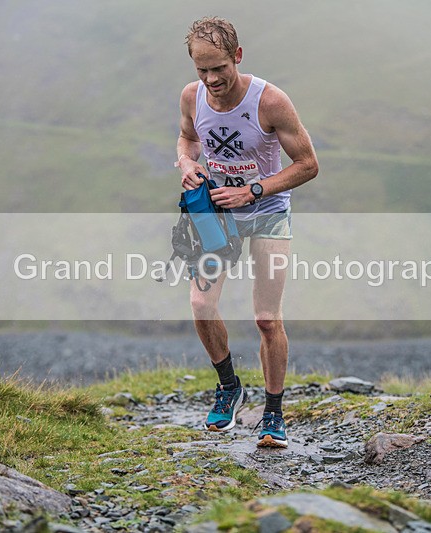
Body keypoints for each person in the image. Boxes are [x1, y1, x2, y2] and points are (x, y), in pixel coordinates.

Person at [175, 16, 318, 448]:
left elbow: (308, 165)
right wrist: (188, 165)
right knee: (201, 303)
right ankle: (229, 386)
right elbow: (186, 140)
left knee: (266, 318)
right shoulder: (192, 96)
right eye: (202, 69)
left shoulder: (270, 101)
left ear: (237, 56)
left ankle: (273, 414)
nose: (211, 78)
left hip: (268, 212)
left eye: (219, 67)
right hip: (218, 214)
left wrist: (252, 190)